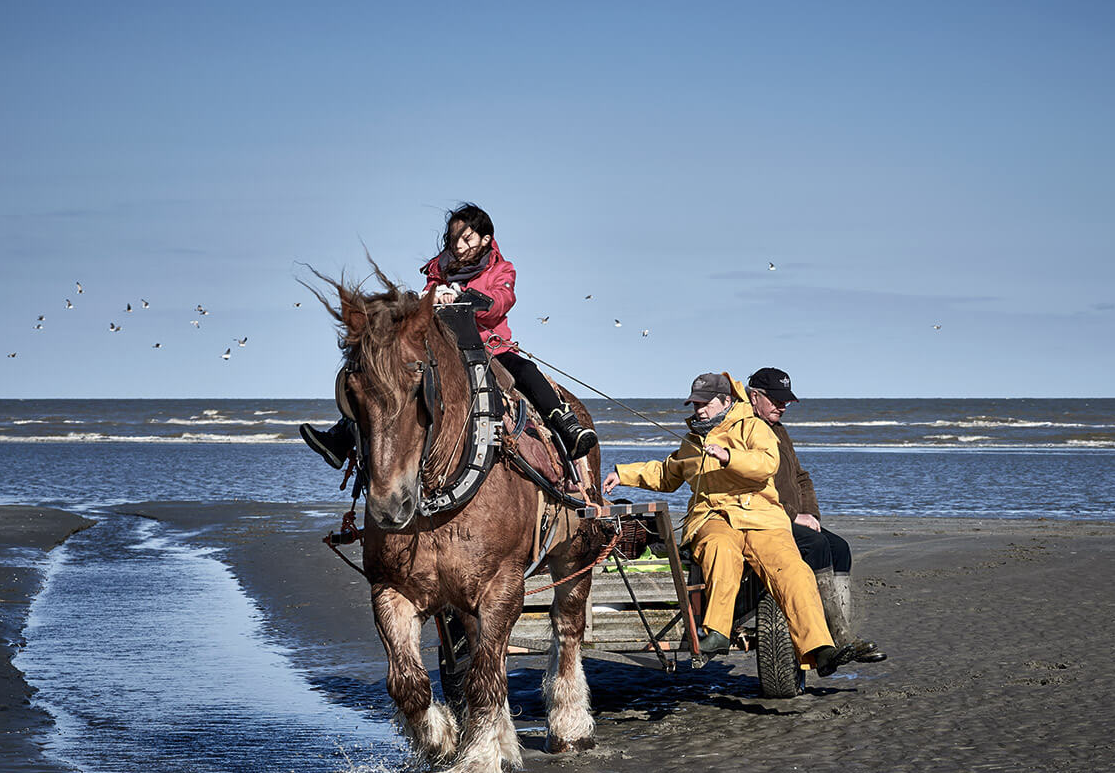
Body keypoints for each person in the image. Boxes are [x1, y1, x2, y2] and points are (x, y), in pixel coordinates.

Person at [601, 372, 865, 677]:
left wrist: (729, 456)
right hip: (714, 518)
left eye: (705, 403)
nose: (698, 409)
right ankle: (717, 633)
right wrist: (623, 474)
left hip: (762, 518)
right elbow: (666, 473)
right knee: (719, 550)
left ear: (726, 401)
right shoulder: (692, 441)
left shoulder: (754, 427)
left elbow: (766, 463)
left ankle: (819, 647)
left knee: (792, 569)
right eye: (695, 403)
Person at [300, 204, 597, 467]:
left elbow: (500, 303)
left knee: (527, 371)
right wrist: (428, 297)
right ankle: (342, 437)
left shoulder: (503, 269)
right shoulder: (437, 270)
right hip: (444, 350)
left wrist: (461, 295)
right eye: (454, 239)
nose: (458, 246)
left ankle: (567, 426)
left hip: (491, 347)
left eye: (467, 239)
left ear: (485, 239)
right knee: (391, 380)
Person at [747, 367, 884, 662]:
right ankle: (835, 640)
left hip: (793, 517)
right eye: (775, 399)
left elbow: (801, 478)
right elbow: (751, 487)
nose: (782, 406)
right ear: (754, 396)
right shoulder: (747, 429)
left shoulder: (779, 429)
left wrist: (812, 516)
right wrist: (795, 517)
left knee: (840, 548)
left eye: (786, 400)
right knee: (818, 546)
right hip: (765, 519)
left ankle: (843, 633)